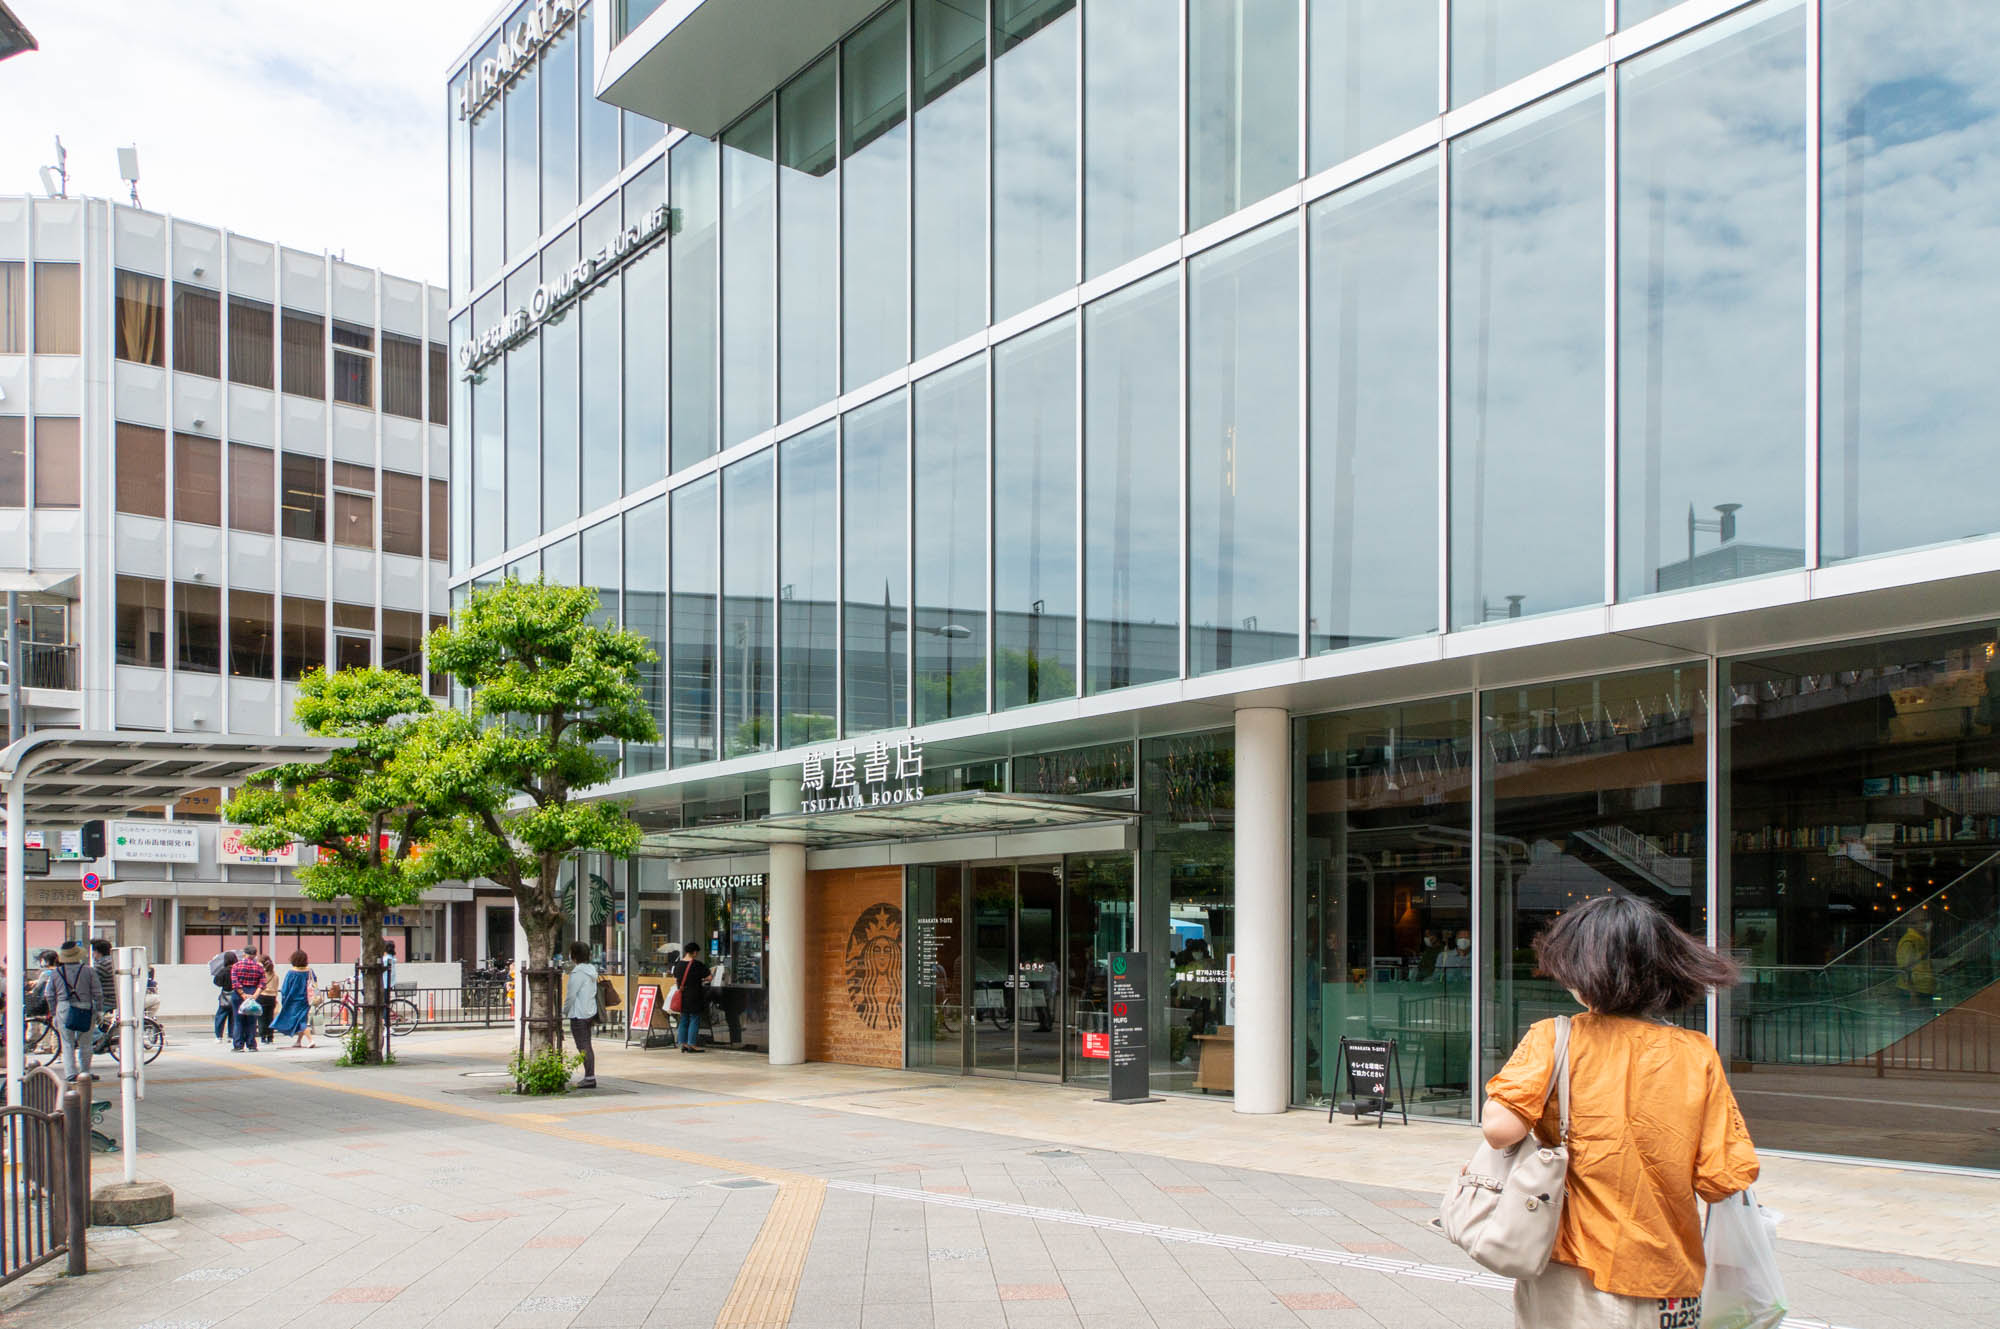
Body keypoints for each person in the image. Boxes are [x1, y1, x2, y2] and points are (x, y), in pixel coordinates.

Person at [1482, 895, 1757, 1328]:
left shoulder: (1554, 1038)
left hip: (1574, 1269)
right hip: (1670, 1277)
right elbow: (1722, 1178)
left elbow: (1499, 1129)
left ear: (1582, 969)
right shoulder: (1696, 1052)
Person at [39, 941, 101, 1082]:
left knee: (67, 1043)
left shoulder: (56, 973)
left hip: (64, 1008)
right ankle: (85, 1072)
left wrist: (53, 1012)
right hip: (85, 1007)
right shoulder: (89, 971)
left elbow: (49, 994)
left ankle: (71, 1073)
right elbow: (97, 992)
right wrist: (99, 1010)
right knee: (86, 1043)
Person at [564, 941, 600, 1089]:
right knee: (586, 1044)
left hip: (578, 1013)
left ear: (574, 955)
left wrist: (564, 1011)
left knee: (583, 1045)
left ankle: (590, 1077)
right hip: (589, 1011)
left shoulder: (578, 972)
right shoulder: (591, 970)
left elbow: (571, 995)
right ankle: (589, 1076)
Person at [272, 950, 317, 1049]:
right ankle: (298, 1041)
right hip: (306, 999)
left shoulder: (291, 973)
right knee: (302, 1019)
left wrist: (284, 999)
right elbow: (314, 983)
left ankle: (310, 1040)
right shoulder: (310, 971)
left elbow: (285, 988)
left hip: (293, 1000)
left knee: (300, 1020)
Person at [671, 944, 709, 1054]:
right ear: (695, 952)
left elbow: (676, 978)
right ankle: (692, 1044)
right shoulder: (697, 964)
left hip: (683, 996)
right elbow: (709, 977)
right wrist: (702, 980)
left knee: (684, 1019)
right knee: (694, 1019)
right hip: (695, 995)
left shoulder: (678, 965)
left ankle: (683, 1044)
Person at [230, 944, 266, 1052]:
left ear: (244, 954)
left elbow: (235, 983)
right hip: (253, 992)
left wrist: (242, 994)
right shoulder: (259, 967)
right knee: (252, 1021)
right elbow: (262, 983)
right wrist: (255, 995)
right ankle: (251, 1045)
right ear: (255, 955)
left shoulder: (236, 966)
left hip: (239, 995)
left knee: (238, 1020)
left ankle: (238, 1045)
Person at [1896, 916, 1935, 1015]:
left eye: (1927, 921)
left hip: (1923, 988)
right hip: (1915, 990)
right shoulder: (1909, 941)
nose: (1927, 924)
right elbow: (1905, 967)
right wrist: (1912, 993)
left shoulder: (1920, 939)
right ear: (1914, 924)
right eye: (1922, 921)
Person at [212, 949, 238, 1043]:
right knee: (233, 1016)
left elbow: (216, 982)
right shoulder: (237, 970)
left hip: (225, 996)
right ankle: (231, 1035)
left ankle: (219, 1036)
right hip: (236, 995)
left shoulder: (223, 971)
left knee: (220, 1016)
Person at [256, 954, 281, 1044]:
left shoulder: (261, 975)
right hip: (272, 997)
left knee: (261, 1018)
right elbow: (276, 988)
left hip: (262, 996)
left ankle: (263, 1037)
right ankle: (270, 1037)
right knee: (270, 1017)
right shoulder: (275, 976)